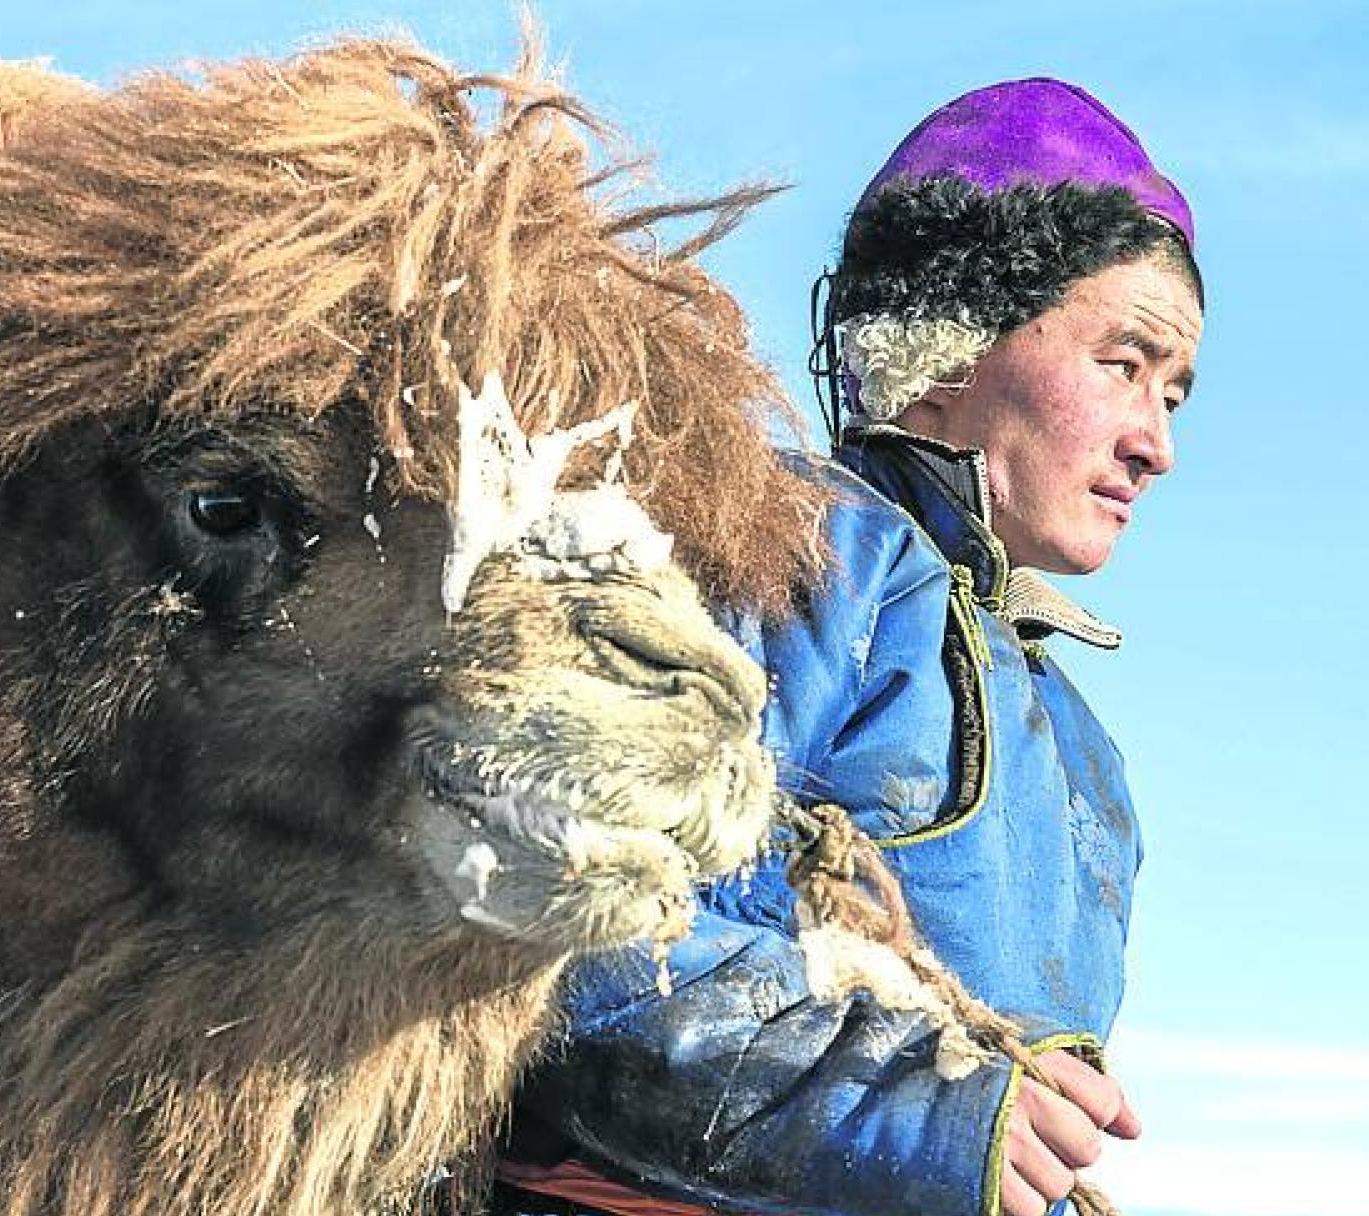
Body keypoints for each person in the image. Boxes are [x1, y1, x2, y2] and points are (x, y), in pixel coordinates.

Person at [490, 79, 1203, 1216]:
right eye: (1125, 363)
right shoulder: (785, 548)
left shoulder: (1087, 760)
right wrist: (924, 1113)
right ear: (949, 333)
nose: (1157, 441)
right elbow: (563, 929)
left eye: (1176, 391)